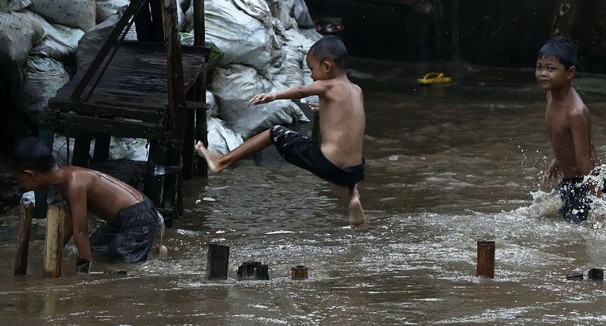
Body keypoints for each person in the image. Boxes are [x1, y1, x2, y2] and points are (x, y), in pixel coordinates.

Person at [195, 35, 367, 227]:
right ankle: (353, 195)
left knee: (275, 132)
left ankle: (222, 161)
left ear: (327, 67)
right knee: (347, 146)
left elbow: (302, 90)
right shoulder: (356, 90)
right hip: (355, 172)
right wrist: (324, 112)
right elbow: (349, 124)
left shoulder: (327, 85)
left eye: (312, 69)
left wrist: (274, 95)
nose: (311, 75)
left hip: (329, 164)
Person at [9, 137, 164, 271]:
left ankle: (157, 252)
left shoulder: (75, 183)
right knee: (97, 249)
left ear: (31, 174)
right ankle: (148, 250)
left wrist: (83, 272)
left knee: (122, 263)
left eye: (22, 181)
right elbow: (70, 220)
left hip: (138, 216)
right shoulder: (64, 179)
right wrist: (52, 251)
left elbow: (81, 231)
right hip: (121, 219)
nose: (24, 186)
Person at [536, 36, 606, 224]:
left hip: (586, 182)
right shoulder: (550, 97)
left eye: (550, 69)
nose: (543, 73)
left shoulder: (576, 113)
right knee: (552, 219)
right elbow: (563, 137)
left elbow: (584, 161)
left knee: (574, 233)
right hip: (570, 181)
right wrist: (556, 160)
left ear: (570, 73)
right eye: (539, 67)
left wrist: (600, 203)